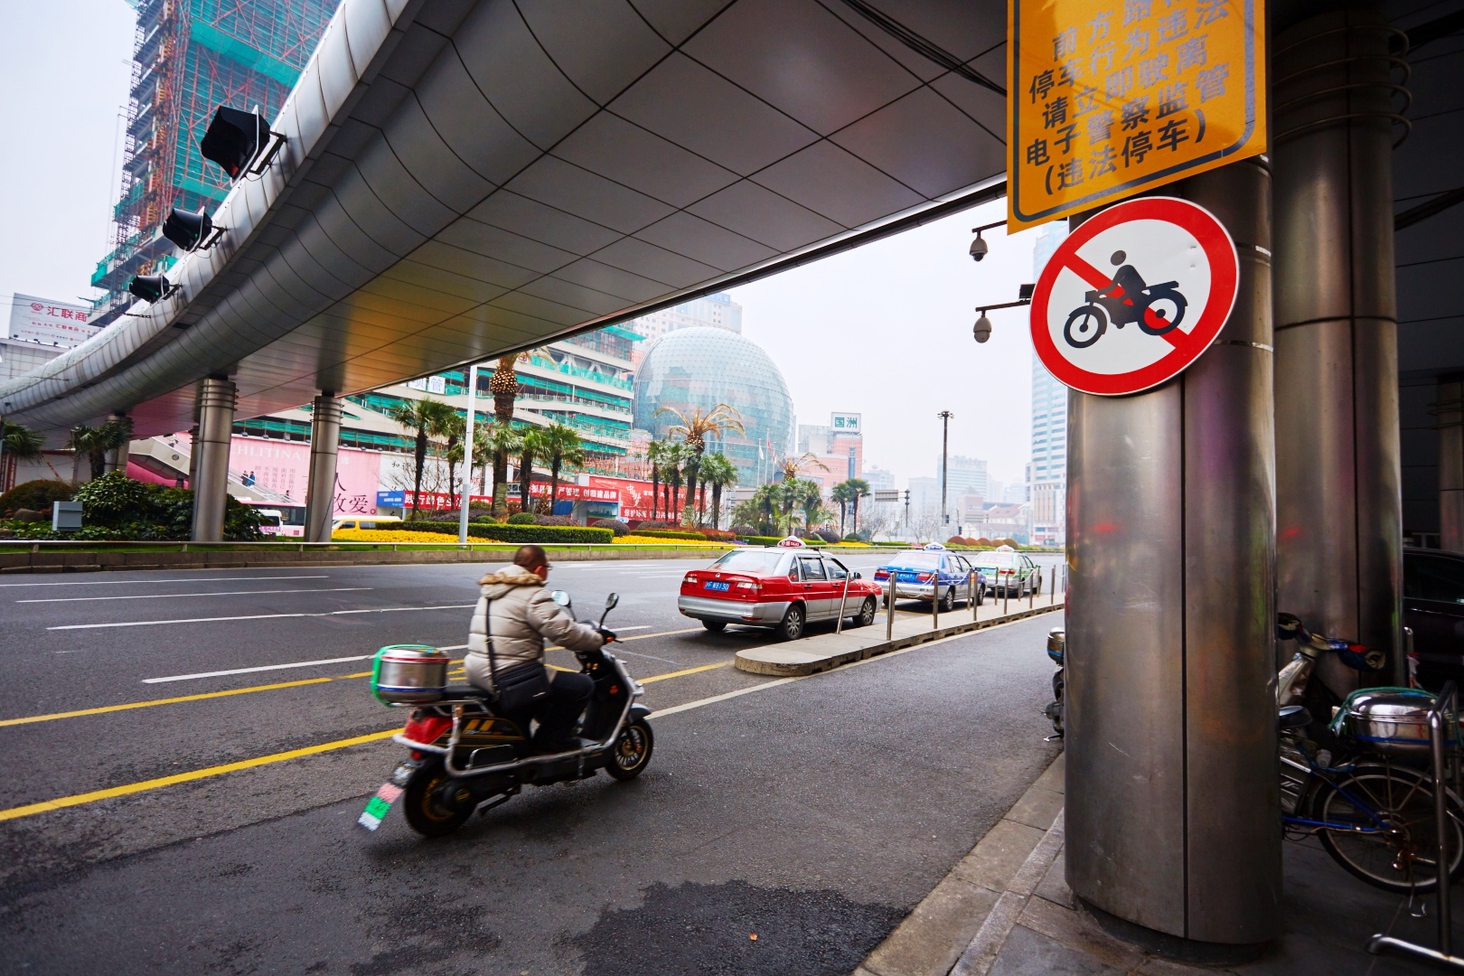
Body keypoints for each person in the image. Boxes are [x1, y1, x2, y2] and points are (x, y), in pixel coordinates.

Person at [465, 544, 606, 752]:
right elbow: (564, 633)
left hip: (479, 671)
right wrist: (596, 639)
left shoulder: (492, 589)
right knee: (581, 686)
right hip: (510, 675)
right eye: (548, 567)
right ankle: (552, 742)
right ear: (540, 569)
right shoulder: (532, 593)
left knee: (550, 685)